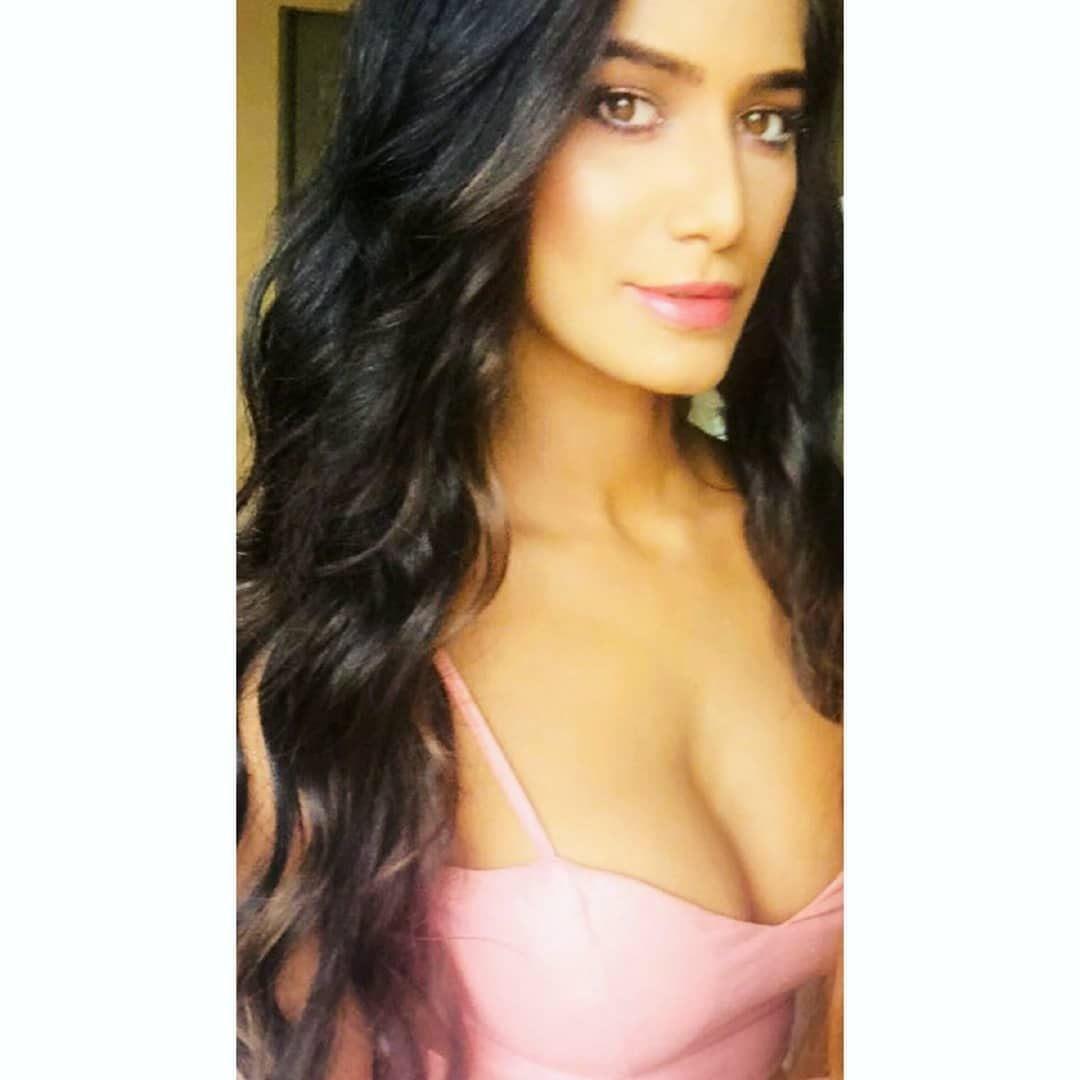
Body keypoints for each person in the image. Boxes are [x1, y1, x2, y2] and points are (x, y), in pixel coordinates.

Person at [236, 0, 844, 1076]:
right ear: (465, 125)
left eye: (768, 122)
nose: (722, 209)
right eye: (623, 104)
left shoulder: (818, 541)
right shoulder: (332, 635)